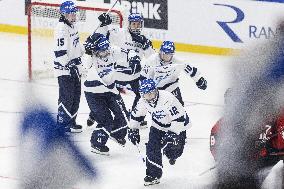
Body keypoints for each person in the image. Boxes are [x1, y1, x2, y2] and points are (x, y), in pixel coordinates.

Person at [86, 12, 155, 127]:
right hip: (117, 73)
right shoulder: (119, 33)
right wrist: (103, 24)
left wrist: (146, 45)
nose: (136, 27)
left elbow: (152, 58)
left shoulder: (144, 39)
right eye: (134, 24)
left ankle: (137, 116)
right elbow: (101, 36)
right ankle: (94, 114)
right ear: (129, 24)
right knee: (104, 93)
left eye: (138, 24)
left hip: (134, 75)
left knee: (143, 92)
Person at [83, 34, 142, 155]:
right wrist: (88, 52)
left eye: (107, 49)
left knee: (123, 115)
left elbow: (129, 51)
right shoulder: (89, 58)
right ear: (94, 51)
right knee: (106, 120)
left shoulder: (111, 50)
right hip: (94, 94)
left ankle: (116, 134)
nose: (106, 52)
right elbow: (87, 65)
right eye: (102, 51)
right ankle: (97, 144)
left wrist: (134, 59)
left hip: (110, 91)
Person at [128, 79, 190, 186]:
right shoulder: (142, 101)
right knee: (152, 148)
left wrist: (173, 133)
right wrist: (133, 129)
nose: (150, 97)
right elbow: (136, 116)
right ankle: (153, 174)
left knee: (174, 151)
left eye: (151, 93)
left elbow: (179, 118)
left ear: (156, 90)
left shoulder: (167, 98)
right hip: (158, 126)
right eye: (146, 95)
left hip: (177, 125)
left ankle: (172, 155)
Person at [141, 41, 207, 106]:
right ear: (160, 52)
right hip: (156, 90)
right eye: (164, 54)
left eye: (169, 55)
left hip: (172, 87)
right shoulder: (152, 60)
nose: (166, 57)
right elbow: (143, 75)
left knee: (179, 107)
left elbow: (191, 70)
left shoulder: (178, 61)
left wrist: (199, 79)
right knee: (158, 111)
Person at [53, 1, 84, 133]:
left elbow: (77, 47)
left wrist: (85, 48)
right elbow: (59, 52)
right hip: (64, 69)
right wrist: (68, 65)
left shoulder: (73, 26)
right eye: (70, 14)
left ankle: (71, 121)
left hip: (75, 67)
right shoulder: (61, 28)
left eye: (74, 13)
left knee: (76, 95)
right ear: (64, 14)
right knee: (67, 96)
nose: (73, 16)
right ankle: (62, 123)